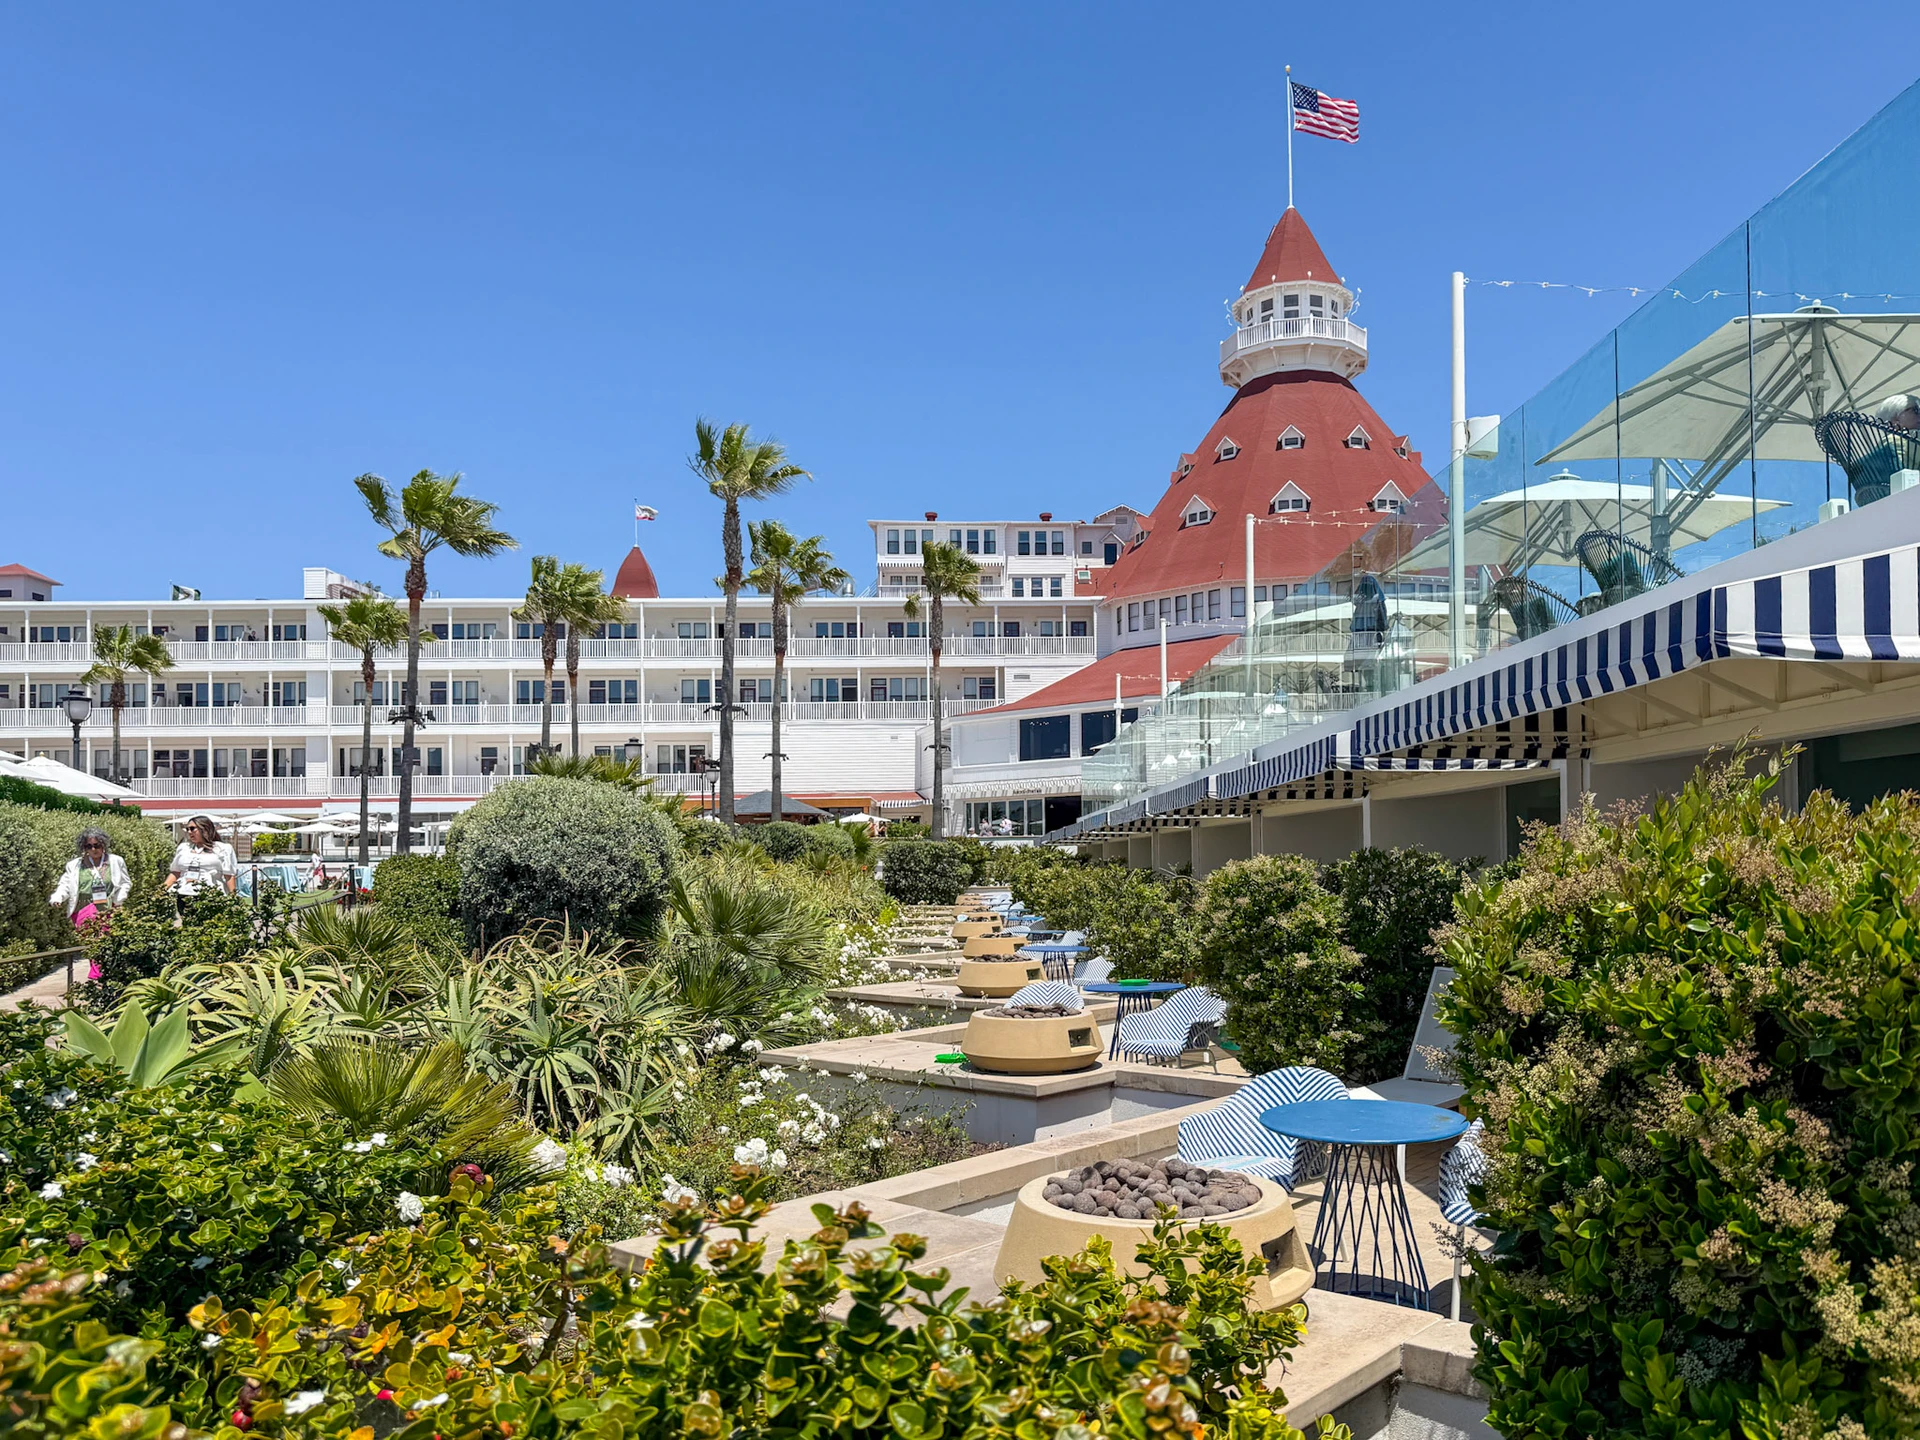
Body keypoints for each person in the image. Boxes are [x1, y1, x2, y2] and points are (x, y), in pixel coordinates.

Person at [49, 828, 131, 928]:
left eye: (97, 845)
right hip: (83, 911)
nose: (93, 849)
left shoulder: (116, 861)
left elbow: (125, 883)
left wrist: (119, 899)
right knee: (88, 940)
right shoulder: (74, 865)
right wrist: (58, 898)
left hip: (109, 910)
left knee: (106, 940)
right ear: (84, 848)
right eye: (89, 846)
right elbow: (65, 885)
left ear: (103, 845)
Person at [165, 815, 237, 901]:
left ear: (205, 829)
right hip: (183, 893)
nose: (189, 832)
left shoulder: (222, 849)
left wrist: (233, 898)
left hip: (211, 894)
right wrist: (162, 891)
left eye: (192, 828)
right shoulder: (183, 848)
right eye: (187, 829)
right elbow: (175, 872)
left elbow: (229, 875)